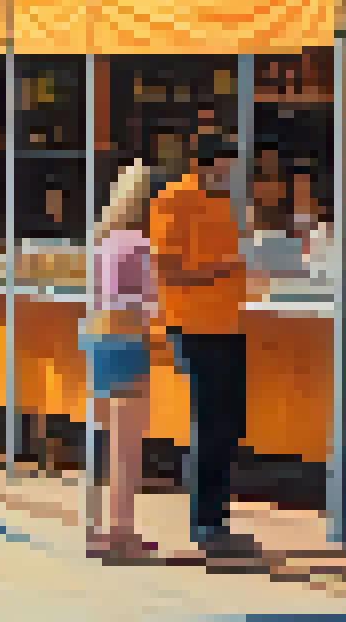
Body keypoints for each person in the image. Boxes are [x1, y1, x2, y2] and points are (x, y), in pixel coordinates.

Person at [149, 133, 257, 559]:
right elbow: (168, 271)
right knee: (209, 422)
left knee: (228, 422)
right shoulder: (175, 200)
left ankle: (219, 517)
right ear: (204, 164)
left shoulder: (225, 206)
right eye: (225, 168)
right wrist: (222, 270)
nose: (230, 176)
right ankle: (205, 521)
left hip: (228, 322)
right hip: (194, 324)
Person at [83, 160, 161, 561]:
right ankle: (121, 533)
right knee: (128, 445)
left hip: (98, 339)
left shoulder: (105, 240)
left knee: (107, 438)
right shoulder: (141, 245)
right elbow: (149, 300)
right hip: (129, 339)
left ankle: (101, 528)